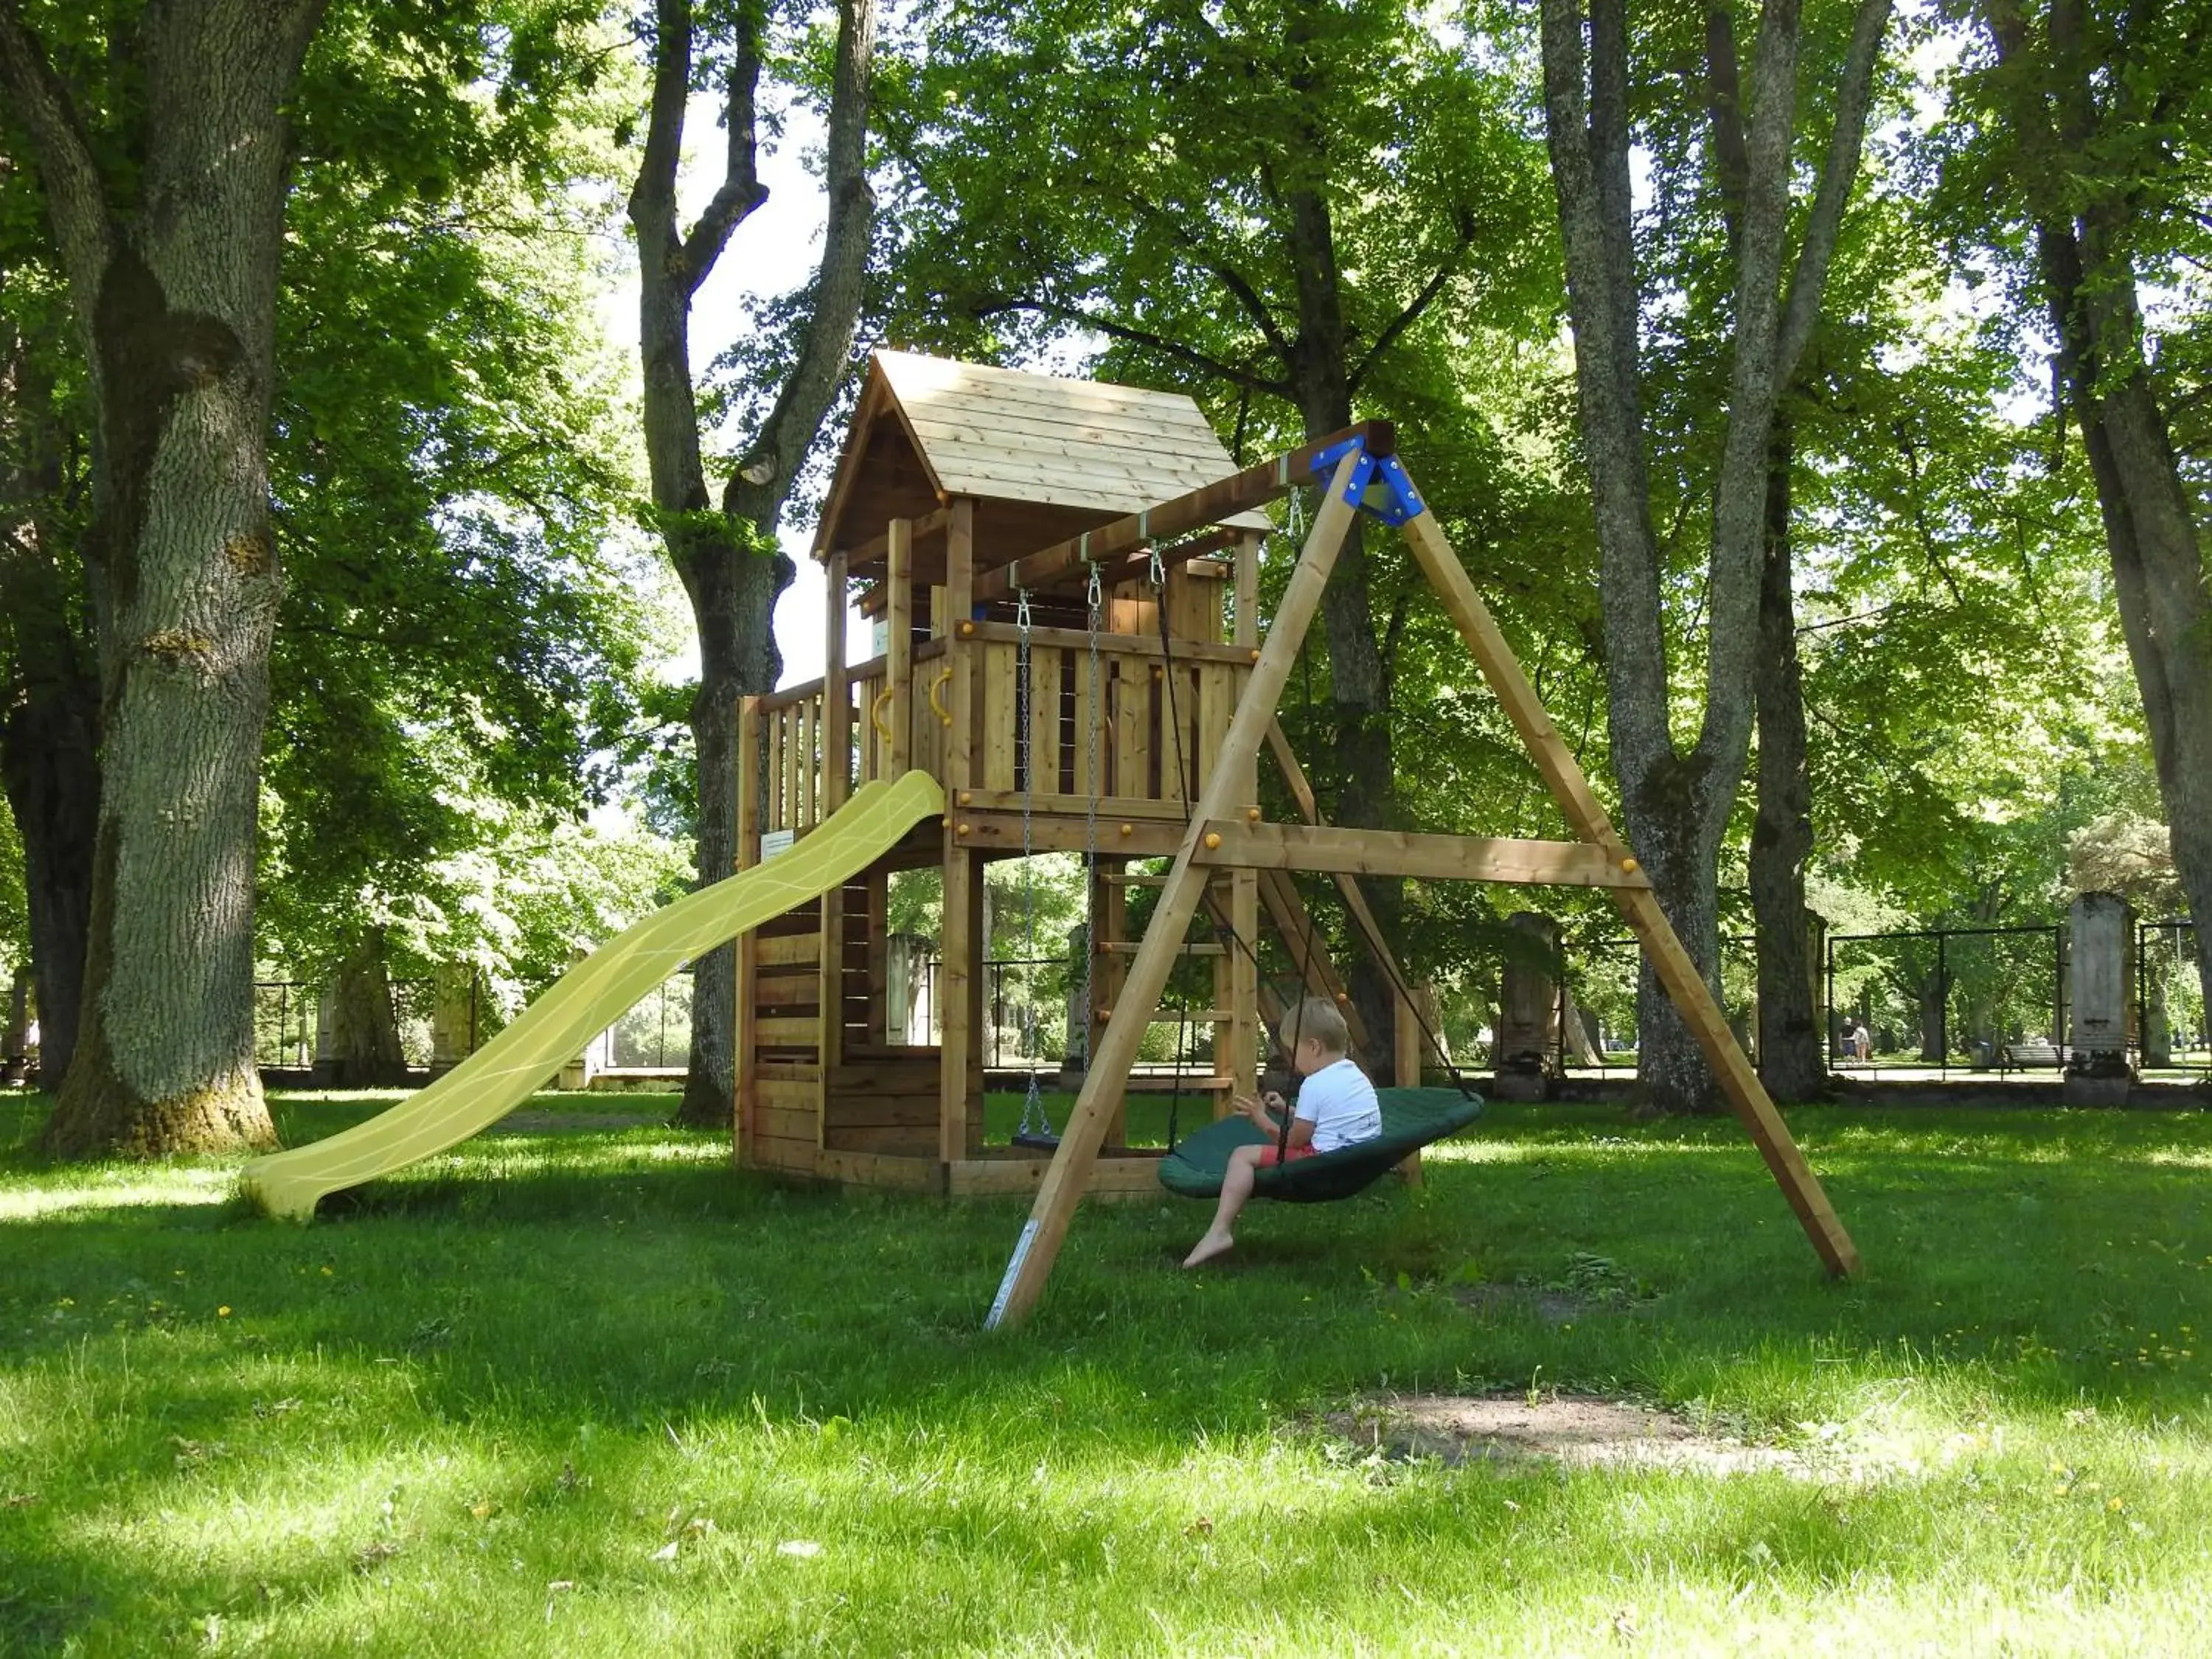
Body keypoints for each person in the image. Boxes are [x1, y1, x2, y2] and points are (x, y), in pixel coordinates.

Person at [1182, 995, 1382, 1269]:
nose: (1291, 1060)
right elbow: (1328, 1119)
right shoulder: (1355, 1074)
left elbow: (1295, 1142)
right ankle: (1219, 1232)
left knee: (1242, 1155)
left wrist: (1261, 1118)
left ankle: (1220, 1231)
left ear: (1313, 1047)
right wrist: (1288, 1109)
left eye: (1293, 1051)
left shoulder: (1315, 1084)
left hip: (1325, 1162)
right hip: (1358, 1158)